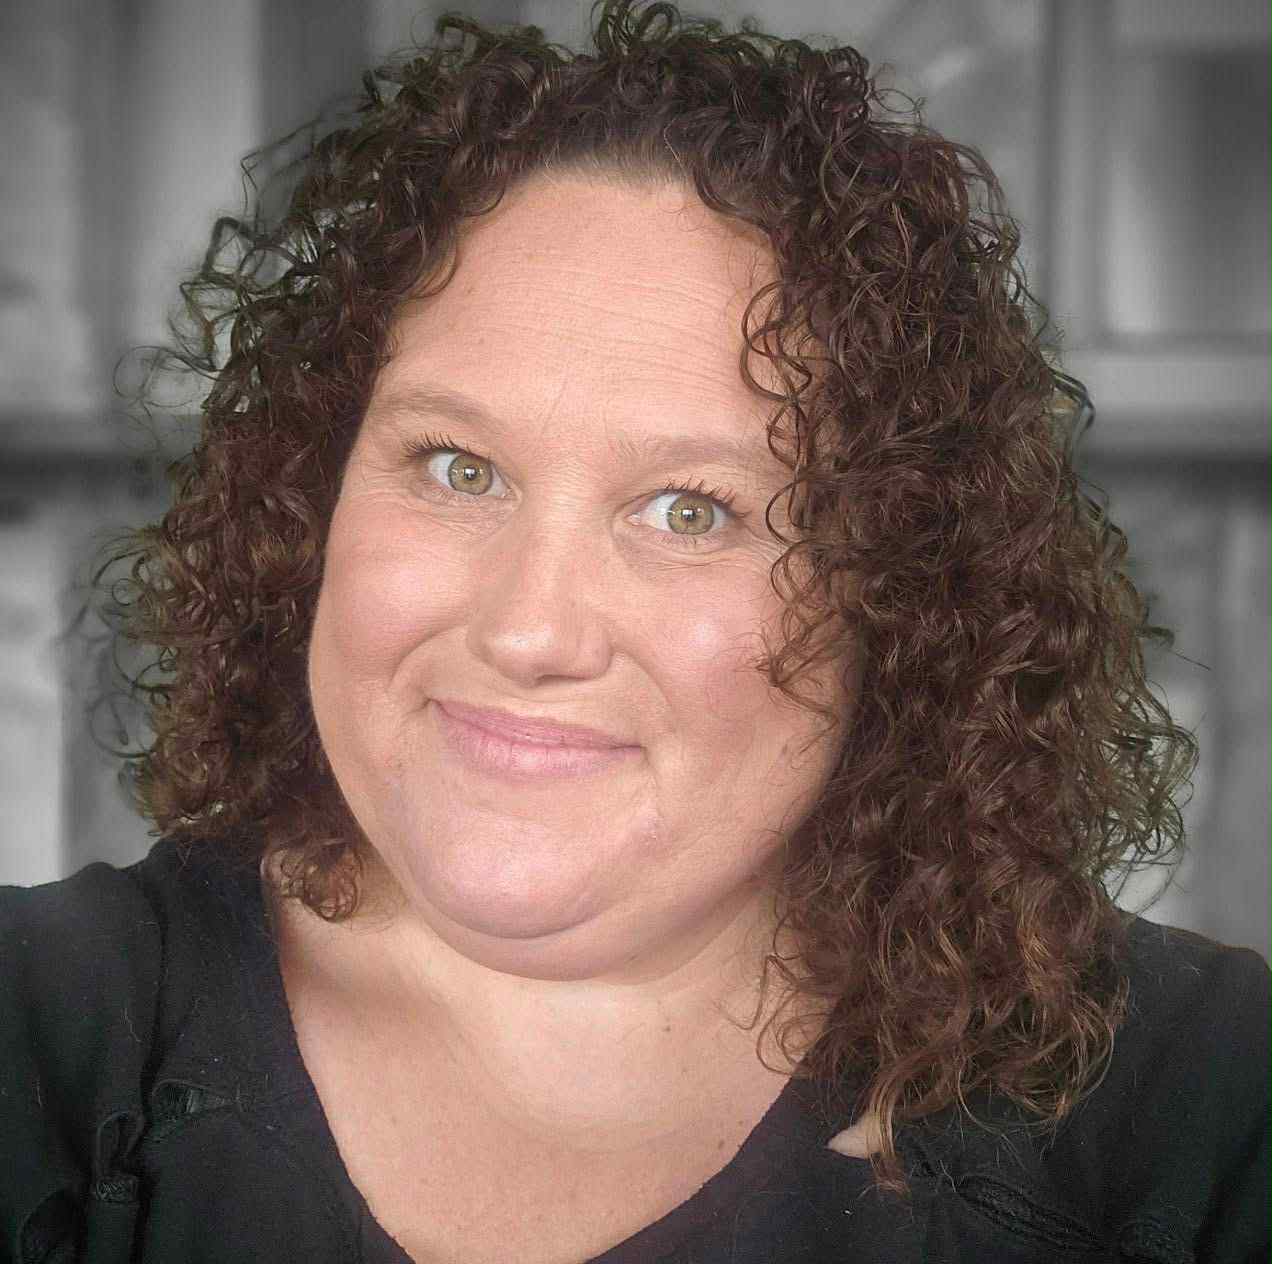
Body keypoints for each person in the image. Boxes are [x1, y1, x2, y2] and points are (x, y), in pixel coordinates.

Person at [3, 2, 1268, 1261]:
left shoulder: (1210, 1113)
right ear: (310, 493)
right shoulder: (36, 1038)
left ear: (904, 590)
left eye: (690, 509)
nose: (529, 627)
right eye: (456, 466)